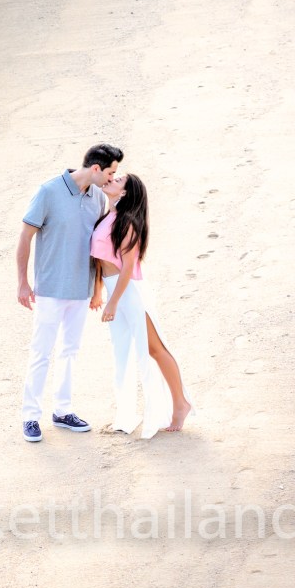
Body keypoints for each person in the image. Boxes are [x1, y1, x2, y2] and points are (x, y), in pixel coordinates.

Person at [17, 143, 123, 442]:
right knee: (41, 353)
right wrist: (23, 282)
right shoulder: (49, 191)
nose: (113, 178)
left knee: (70, 352)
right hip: (49, 289)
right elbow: (25, 236)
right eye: (111, 172)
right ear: (96, 168)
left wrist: (96, 288)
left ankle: (62, 411)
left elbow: (98, 245)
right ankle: (30, 416)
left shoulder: (98, 198)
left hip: (81, 289)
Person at [90, 173, 193, 437]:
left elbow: (126, 269)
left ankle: (180, 403)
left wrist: (112, 302)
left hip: (129, 292)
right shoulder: (106, 217)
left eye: (118, 180)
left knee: (155, 348)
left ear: (124, 193)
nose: (111, 180)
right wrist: (98, 292)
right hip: (114, 290)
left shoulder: (128, 223)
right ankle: (126, 413)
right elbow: (102, 261)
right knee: (124, 353)